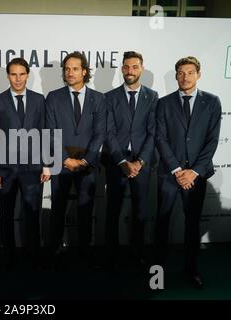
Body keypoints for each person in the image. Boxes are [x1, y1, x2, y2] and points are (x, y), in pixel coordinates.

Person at [154, 56, 222, 289]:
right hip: (169, 174)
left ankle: (191, 269)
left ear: (198, 74)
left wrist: (193, 172)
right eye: (181, 73)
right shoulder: (163, 103)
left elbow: (212, 141)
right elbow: (160, 138)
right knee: (161, 223)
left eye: (190, 72)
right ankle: (157, 273)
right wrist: (177, 170)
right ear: (176, 76)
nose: (185, 77)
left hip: (197, 175)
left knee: (192, 225)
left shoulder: (212, 102)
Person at [0, 57, 50, 270]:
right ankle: (8, 254)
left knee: (32, 213)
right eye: (13, 74)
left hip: (32, 169)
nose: (17, 78)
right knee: (5, 214)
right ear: (8, 76)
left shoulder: (39, 100)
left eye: (21, 74)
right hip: (4, 170)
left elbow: (45, 133)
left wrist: (47, 164)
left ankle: (33, 254)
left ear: (27, 75)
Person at [45, 51, 106, 266]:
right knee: (58, 209)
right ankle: (53, 250)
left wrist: (86, 160)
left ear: (85, 71)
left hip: (87, 165)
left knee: (85, 209)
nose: (70, 73)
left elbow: (100, 133)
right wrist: (64, 159)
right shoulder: (53, 97)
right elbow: (50, 131)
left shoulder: (99, 98)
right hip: (62, 164)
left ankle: (84, 251)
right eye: (67, 69)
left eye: (75, 68)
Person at [101, 51, 158, 270]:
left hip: (142, 165)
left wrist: (140, 161)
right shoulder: (110, 97)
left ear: (141, 68)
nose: (130, 71)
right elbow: (109, 133)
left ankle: (137, 253)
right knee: (113, 211)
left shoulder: (152, 97)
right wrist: (123, 162)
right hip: (117, 164)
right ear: (121, 69)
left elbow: (153, 132)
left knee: (140, 212)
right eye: (126, 67)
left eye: (134, 67)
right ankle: (111, 255)